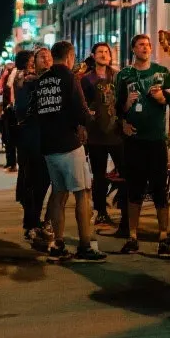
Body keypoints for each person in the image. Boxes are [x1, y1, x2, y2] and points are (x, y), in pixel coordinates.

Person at [35, 41, 107, 262]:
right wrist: (93, 119)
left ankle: (57, 243)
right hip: (68, 143)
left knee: (59, 193)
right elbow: (80, 111)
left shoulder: (43, 80)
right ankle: (85, 244)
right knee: (82, 192)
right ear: (70, 56)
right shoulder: (69, 78)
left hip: (48, 145)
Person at [114, 34, 170, 258]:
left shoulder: (161, 72)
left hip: (156, 139)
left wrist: (160, 98)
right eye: (141, 45)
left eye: (148, 45)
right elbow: (116, 107)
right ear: (133, 49)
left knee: (160, 190)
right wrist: (123, 120)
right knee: (134, 190)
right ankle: (132, 236)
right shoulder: (124, 75)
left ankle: (164, 236)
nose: (146, 48)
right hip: (134, 141)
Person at [79, 42, 126, 229]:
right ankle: (101, 211)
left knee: (123, 172)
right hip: (96, 133)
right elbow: (82, 103)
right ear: (93, 55)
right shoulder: (86, 79)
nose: (104, 54)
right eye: (100, 52)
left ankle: (124, 209)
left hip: (116, 132)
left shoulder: (117, 76)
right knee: (98, 175)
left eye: (107, 52)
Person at [14, 49, 51, 244]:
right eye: (39, 58)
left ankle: (40, 222)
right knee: (33, 182)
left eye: (48, 57)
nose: (45, 60)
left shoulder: (49, 79)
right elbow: (20, 109)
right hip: (32, 137)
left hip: (49, 137)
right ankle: (31, 223)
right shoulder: (26, 81)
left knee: (45, 182)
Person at [1, 61, 19, 172]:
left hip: (12, 110)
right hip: (9, 109)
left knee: (10, 138)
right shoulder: (8, 76)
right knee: (9, 139)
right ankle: (11, 162)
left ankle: (12, 163)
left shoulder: (13, 76)